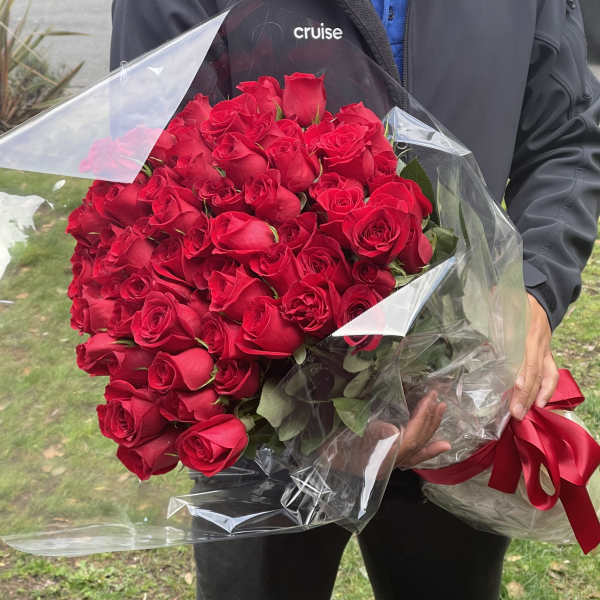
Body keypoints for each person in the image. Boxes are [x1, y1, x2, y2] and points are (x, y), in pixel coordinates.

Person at [110, 1, 600, 598]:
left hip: (455, 389)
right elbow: (150, 170)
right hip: (262, 408)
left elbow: (564, 142)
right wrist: (304, 408)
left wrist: (535, 291)